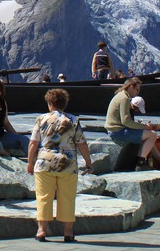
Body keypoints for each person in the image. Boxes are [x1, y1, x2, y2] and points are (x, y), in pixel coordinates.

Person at [27, 88, 93, 243]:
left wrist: (30, 162)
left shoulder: (41, 119)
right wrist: (88, 163)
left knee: (43, 197)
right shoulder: (73, 121)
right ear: (65, 104)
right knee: (67, 198)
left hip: (44, 163)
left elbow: (33, 143)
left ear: (50, 103)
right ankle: (68, 232)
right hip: (68, 164)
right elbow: (82, 143)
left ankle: (41, 230)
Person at [105, 77, 160, 171]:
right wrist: (144, 127)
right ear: (131, 87)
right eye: (137, 89)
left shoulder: (121, 95)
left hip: (115, 130)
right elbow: (126, 121)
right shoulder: (125, 99)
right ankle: (140, 163)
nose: (138, 92)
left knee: (147, 134)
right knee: (152, 135)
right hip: (117, 132)